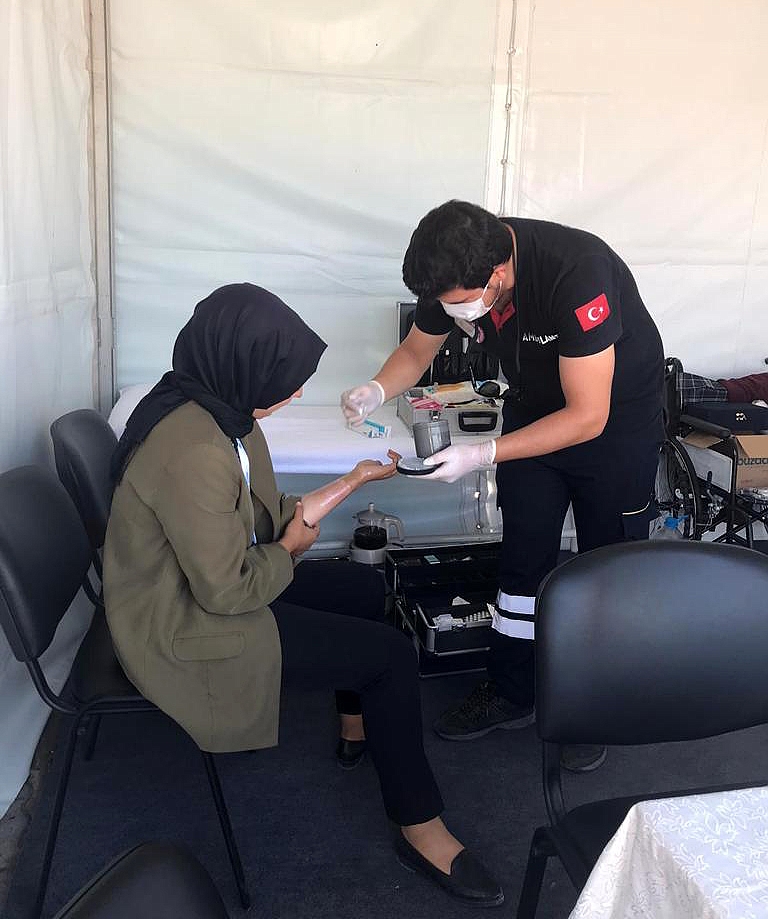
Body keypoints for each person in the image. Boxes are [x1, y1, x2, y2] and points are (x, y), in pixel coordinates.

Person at [103, 282, 503, 907]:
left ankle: (359, 726)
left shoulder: (221, 413)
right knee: (390, 657)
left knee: (365, 587)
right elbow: (231, 588)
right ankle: (420, 825)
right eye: (282, 380)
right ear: (241, 367)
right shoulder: (193, 450)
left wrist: (355, 479)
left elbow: (261, 516)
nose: (292, 394)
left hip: (204, 584)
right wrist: (289, 548)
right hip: (182, 623)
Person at [341, 201, 665, 773]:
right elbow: (417, 350)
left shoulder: (576, 271)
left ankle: (595, 704)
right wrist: (376, 388)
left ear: (497, 273)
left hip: (614, 425)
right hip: (534, 409)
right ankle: (511, 690)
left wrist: (482, 453)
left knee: (607, 566)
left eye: (461, 303)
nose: (454, 314)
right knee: (522, 559)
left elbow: (587, 416)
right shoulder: (453, 265)